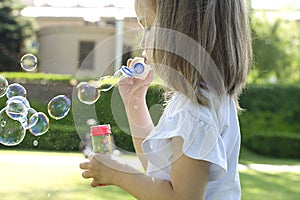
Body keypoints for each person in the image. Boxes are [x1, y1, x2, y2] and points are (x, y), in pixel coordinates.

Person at [80, 0, 252, 199]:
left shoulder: (195, 112)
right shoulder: (199, 100)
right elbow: (158, 170)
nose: (143, 42)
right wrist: (134, 103)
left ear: (183, 32)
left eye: (150, 27)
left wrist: (116, 173)